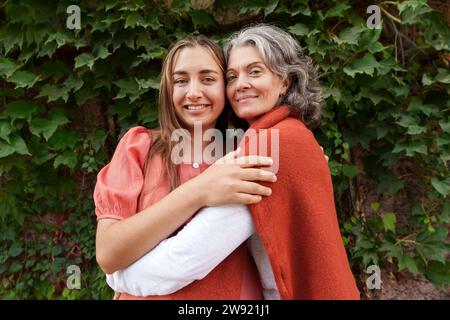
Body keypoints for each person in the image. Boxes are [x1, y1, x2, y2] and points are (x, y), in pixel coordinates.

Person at [94, 35, 277, 300]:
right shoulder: (140, 147)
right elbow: (109, 254)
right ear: (168, 89)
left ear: (226, 88)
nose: (193, 92)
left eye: (208, 79)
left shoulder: (246, 153)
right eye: (181, 80)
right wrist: (199, 191)